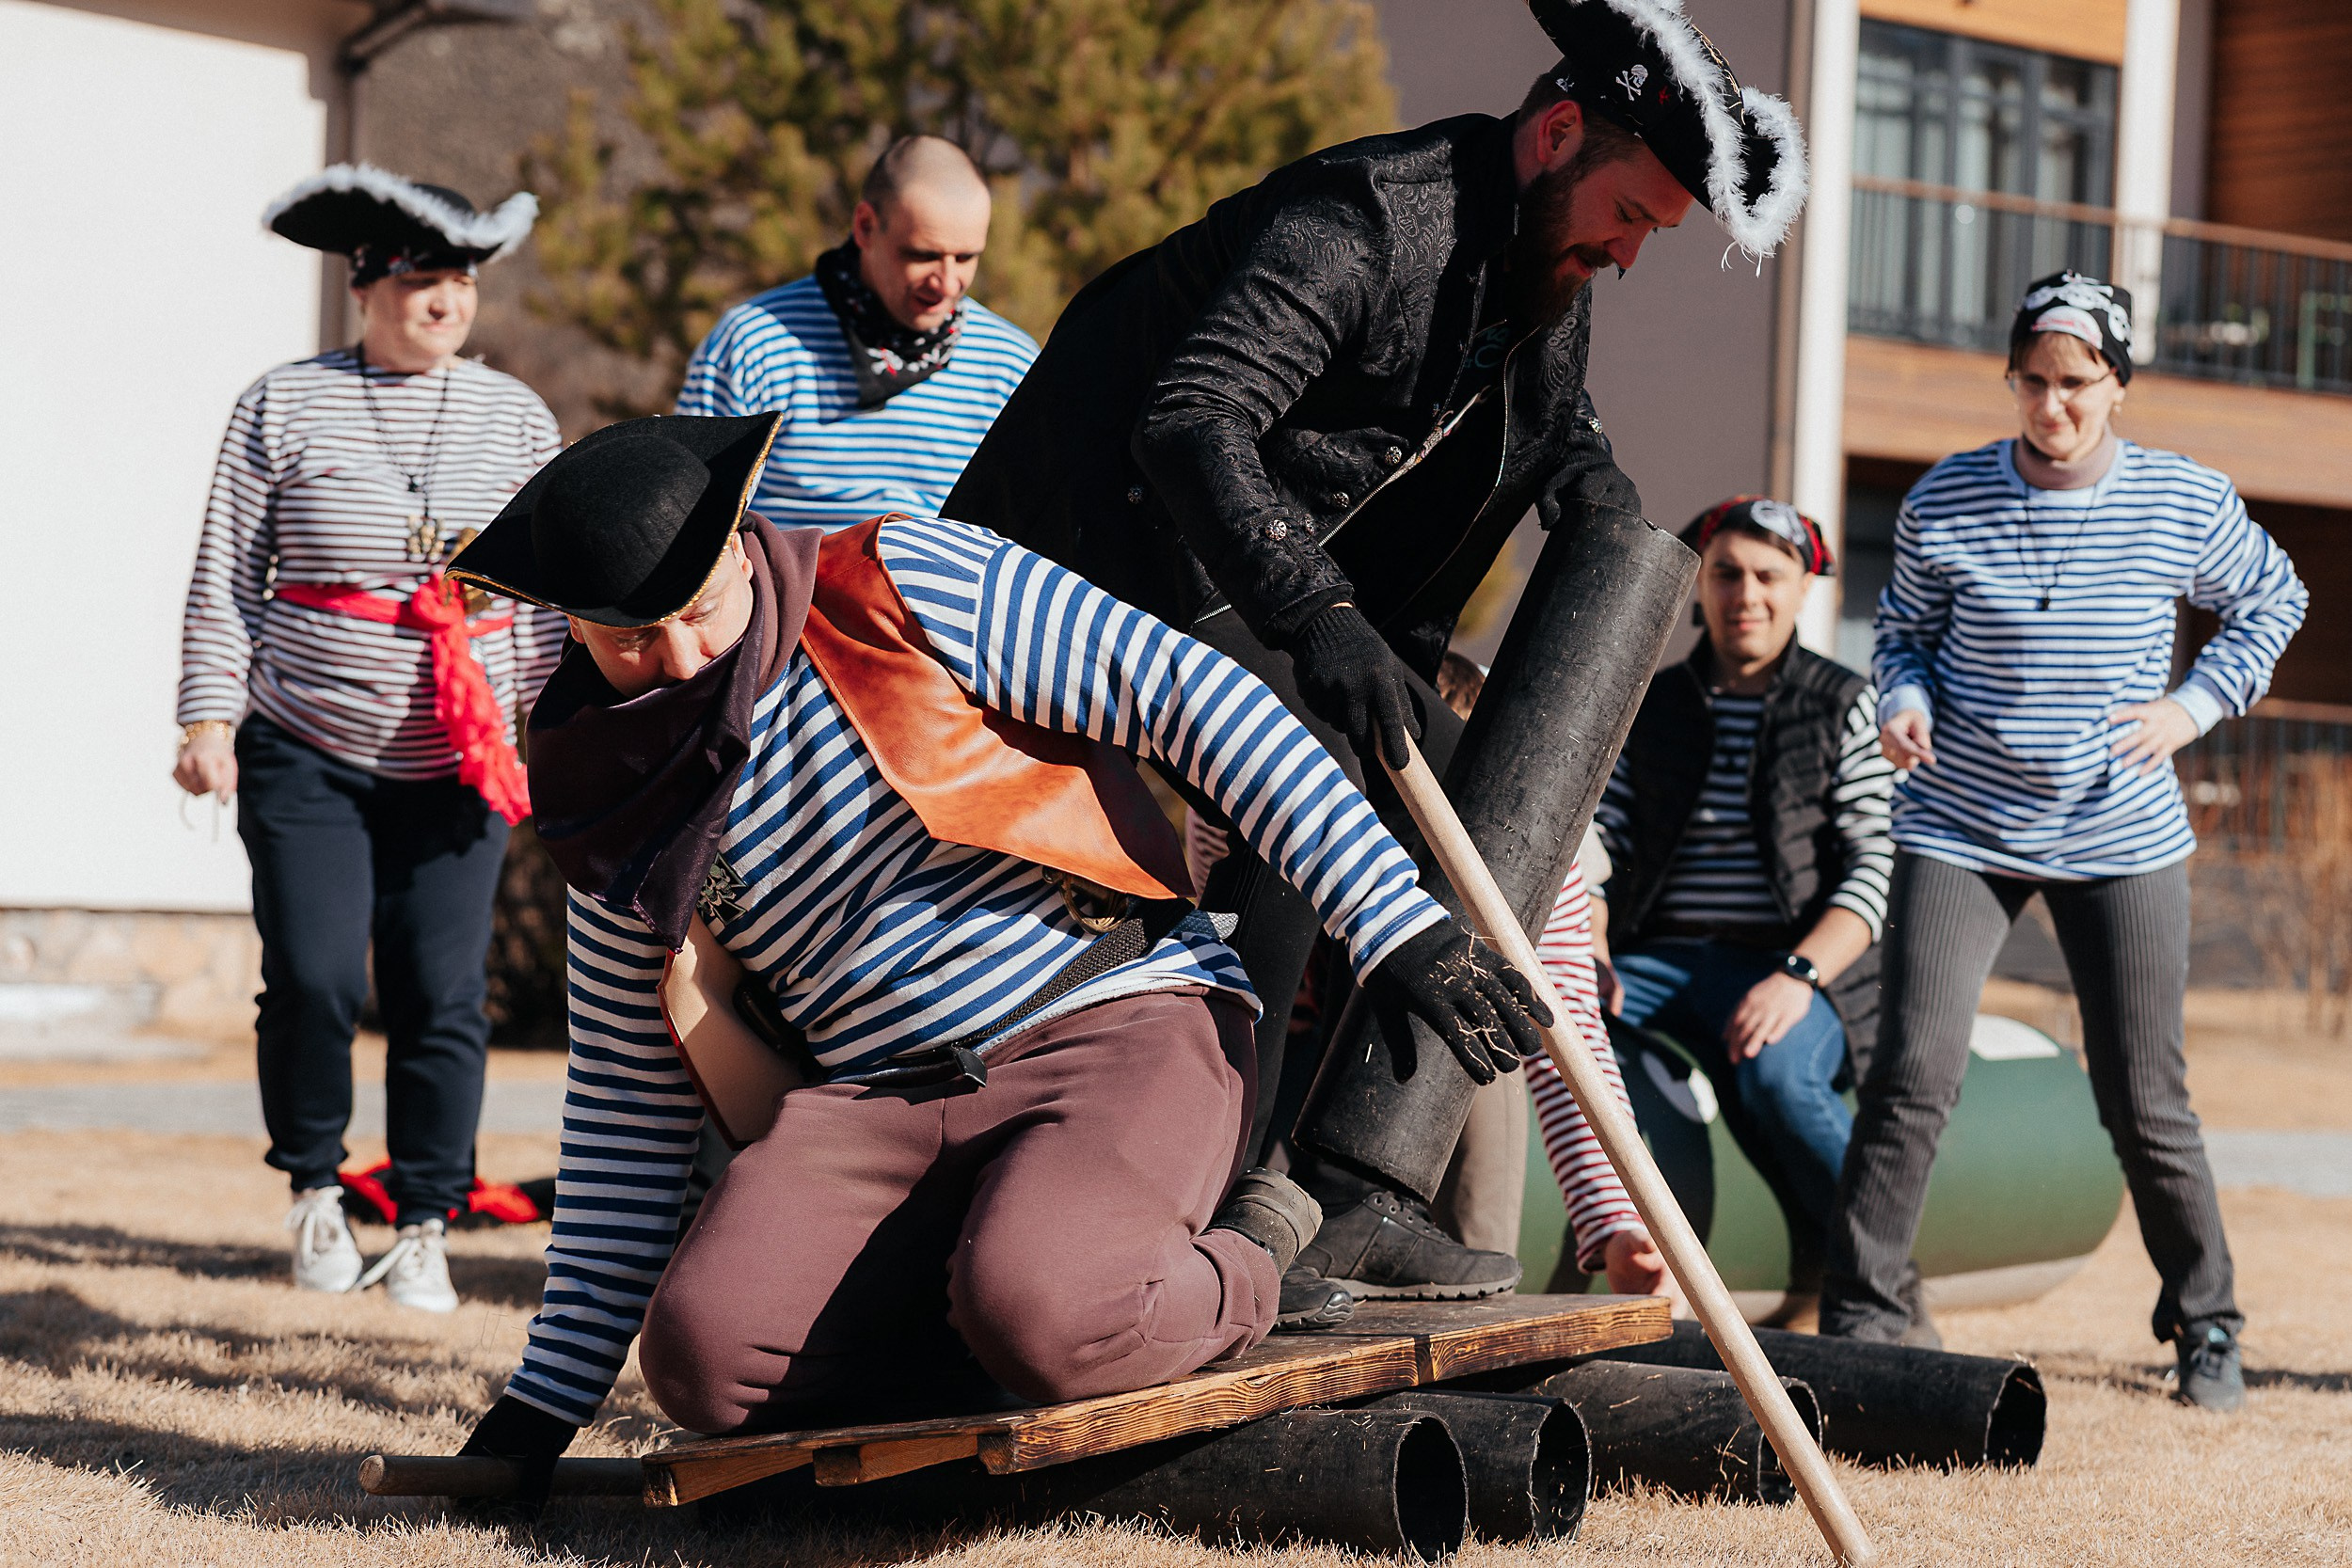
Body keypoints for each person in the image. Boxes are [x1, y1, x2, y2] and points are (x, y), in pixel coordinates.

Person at [438, 414, 1552, 1487]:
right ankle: (1023, 1305)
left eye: (699, 608)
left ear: (742, 540)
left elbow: (1200, 700)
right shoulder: (604, 794)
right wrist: (548, 1394)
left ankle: (1255, 1245)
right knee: (705, 1356)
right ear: (569, 627)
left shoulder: (906, 578)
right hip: (879, 1101)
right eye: (631, 636)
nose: (680, 657)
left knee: (1042, 1303)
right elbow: (627, 1096)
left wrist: (1391, 919)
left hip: (1115, 1017)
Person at [946, 0, 1807, 1306]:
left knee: (1497, 817)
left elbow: (1549, 416)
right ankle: (1233, 1212)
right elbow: (1191, 422)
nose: (1629, 253)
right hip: (1092, 563)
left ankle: (1357, 1186)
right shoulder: (1362, 220)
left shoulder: (1543, 271)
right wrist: (1321, 615)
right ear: (1558, 133)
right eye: (1629, 215)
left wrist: (1594, 493)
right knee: (1307, 767)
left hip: (1266, 596)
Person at [1822, 273, 2309, 1411]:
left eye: (2077, 384)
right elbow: (1903, 637)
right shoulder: (1946, 498)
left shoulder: (2181, 500)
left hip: (2121, 832)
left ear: (2118, 387)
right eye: (2032, 382)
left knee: (2145, 1097)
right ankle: (1864, 1307)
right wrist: (1903, 698)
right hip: (1961, 819)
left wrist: (2192, 706)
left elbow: (2272, 599)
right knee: (1912, 1072)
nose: (2051, 406)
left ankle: (2207, 1322)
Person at [173, 166, 564, 1311]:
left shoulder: (516, 415)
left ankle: (429, 1220)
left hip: (458, 758)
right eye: (426, 281)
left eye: (464, 282)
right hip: (306, 740)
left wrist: (538, 732)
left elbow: (544, 598)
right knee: (313, 975)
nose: (448, 303)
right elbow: (226, 579)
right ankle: (313, 1190)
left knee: (443, 991)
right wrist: (208, 716)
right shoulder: (279, 403)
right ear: (367, 287)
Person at [1573, 497, 1894, 1297]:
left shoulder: (1846, 703)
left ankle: (1874, 1278)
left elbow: (1873, 867)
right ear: (1698, 584)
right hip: (1655, 957)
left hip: (1787, 964)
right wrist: (1595, 942)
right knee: (1564, 1032)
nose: (1745, 594)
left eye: (1767, 575)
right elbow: (1600, 840)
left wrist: (1797, 975)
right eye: (1725, 574)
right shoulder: (1651, 702)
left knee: (1779, 1079)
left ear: (1803, 586)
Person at [674, 135, 1038, 530]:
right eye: (922, 255)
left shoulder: (1011, 365)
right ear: (865, 227)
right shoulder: (753, 344)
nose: (947, 282)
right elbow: (689, 517)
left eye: (966, 257)